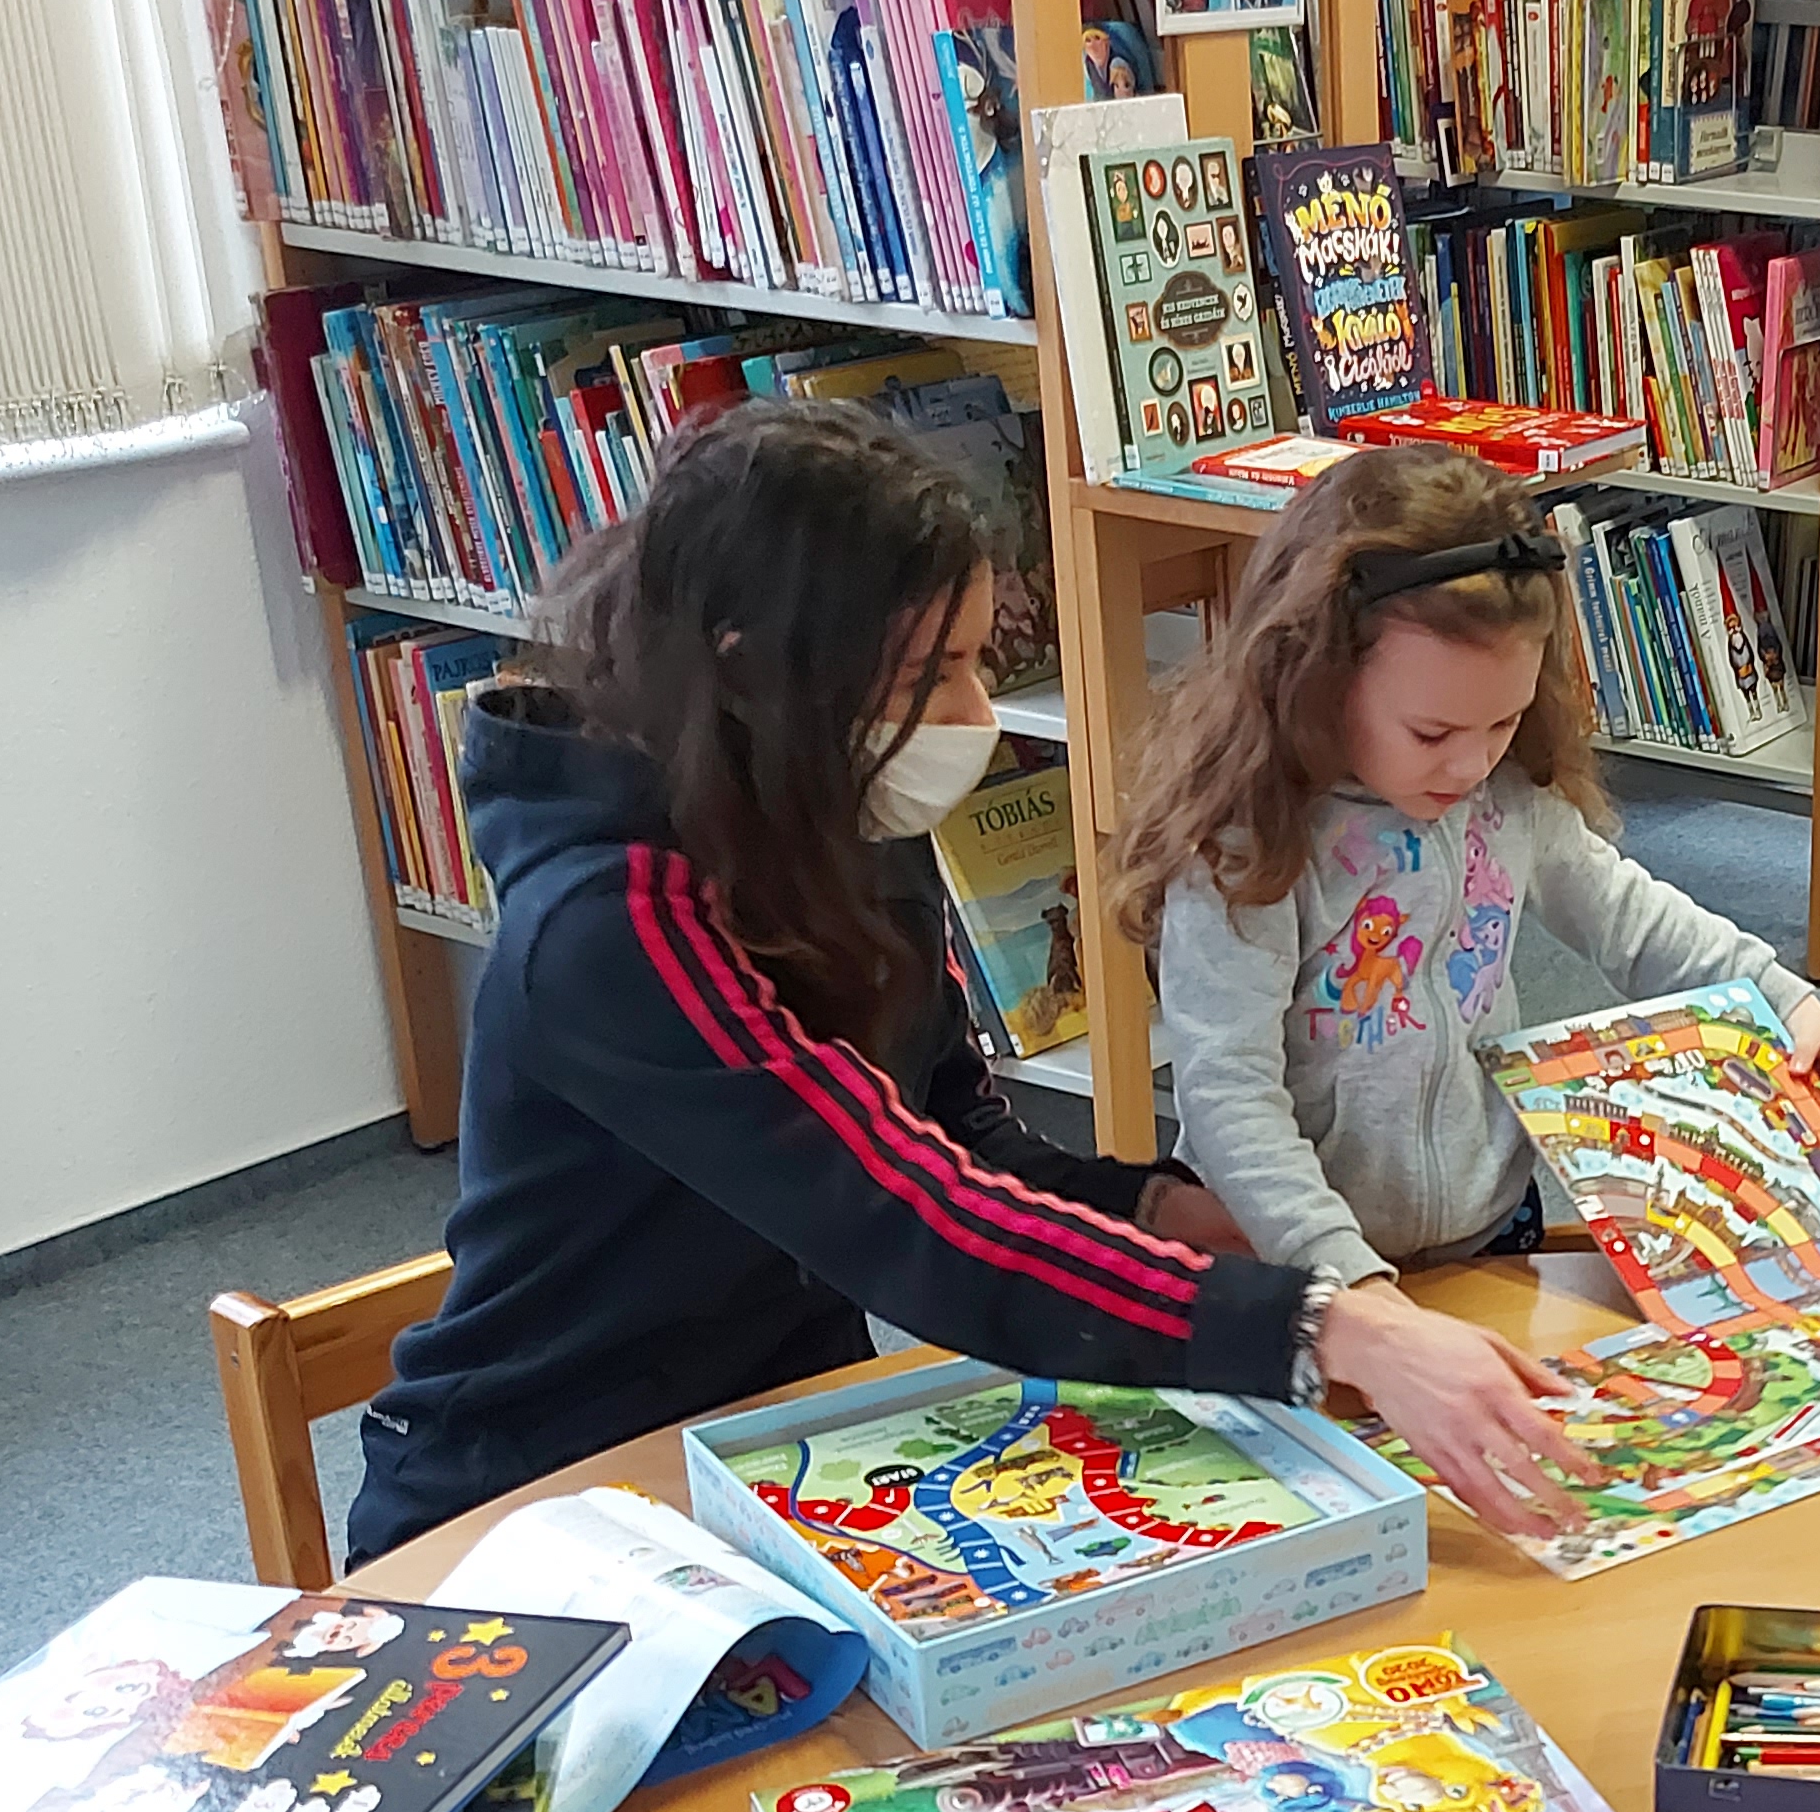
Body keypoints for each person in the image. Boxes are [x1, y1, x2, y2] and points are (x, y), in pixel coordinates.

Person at [346, 401, 1586, 1564]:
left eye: (975, 659)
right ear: (757, 670)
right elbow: (911, 1220)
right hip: (542, 1495)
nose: (972, 713)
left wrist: (1164, 1209)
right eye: (925, 675)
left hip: (776, 1441)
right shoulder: (610, 924)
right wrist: (1326, 1327)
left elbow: (959, 1141)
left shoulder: (832, 805)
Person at [1115, 446, 1820, 1292]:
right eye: (1432, 733)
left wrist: (1781, 996)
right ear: (1317, 679)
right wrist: (1349, 1280)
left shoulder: (1505, 800)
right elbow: (1228, 1095)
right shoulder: (1245, 848)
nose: (1471, 766)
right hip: (1297, 1264)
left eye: (1503, 722)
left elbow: (1631, 918)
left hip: (1491, 1229)